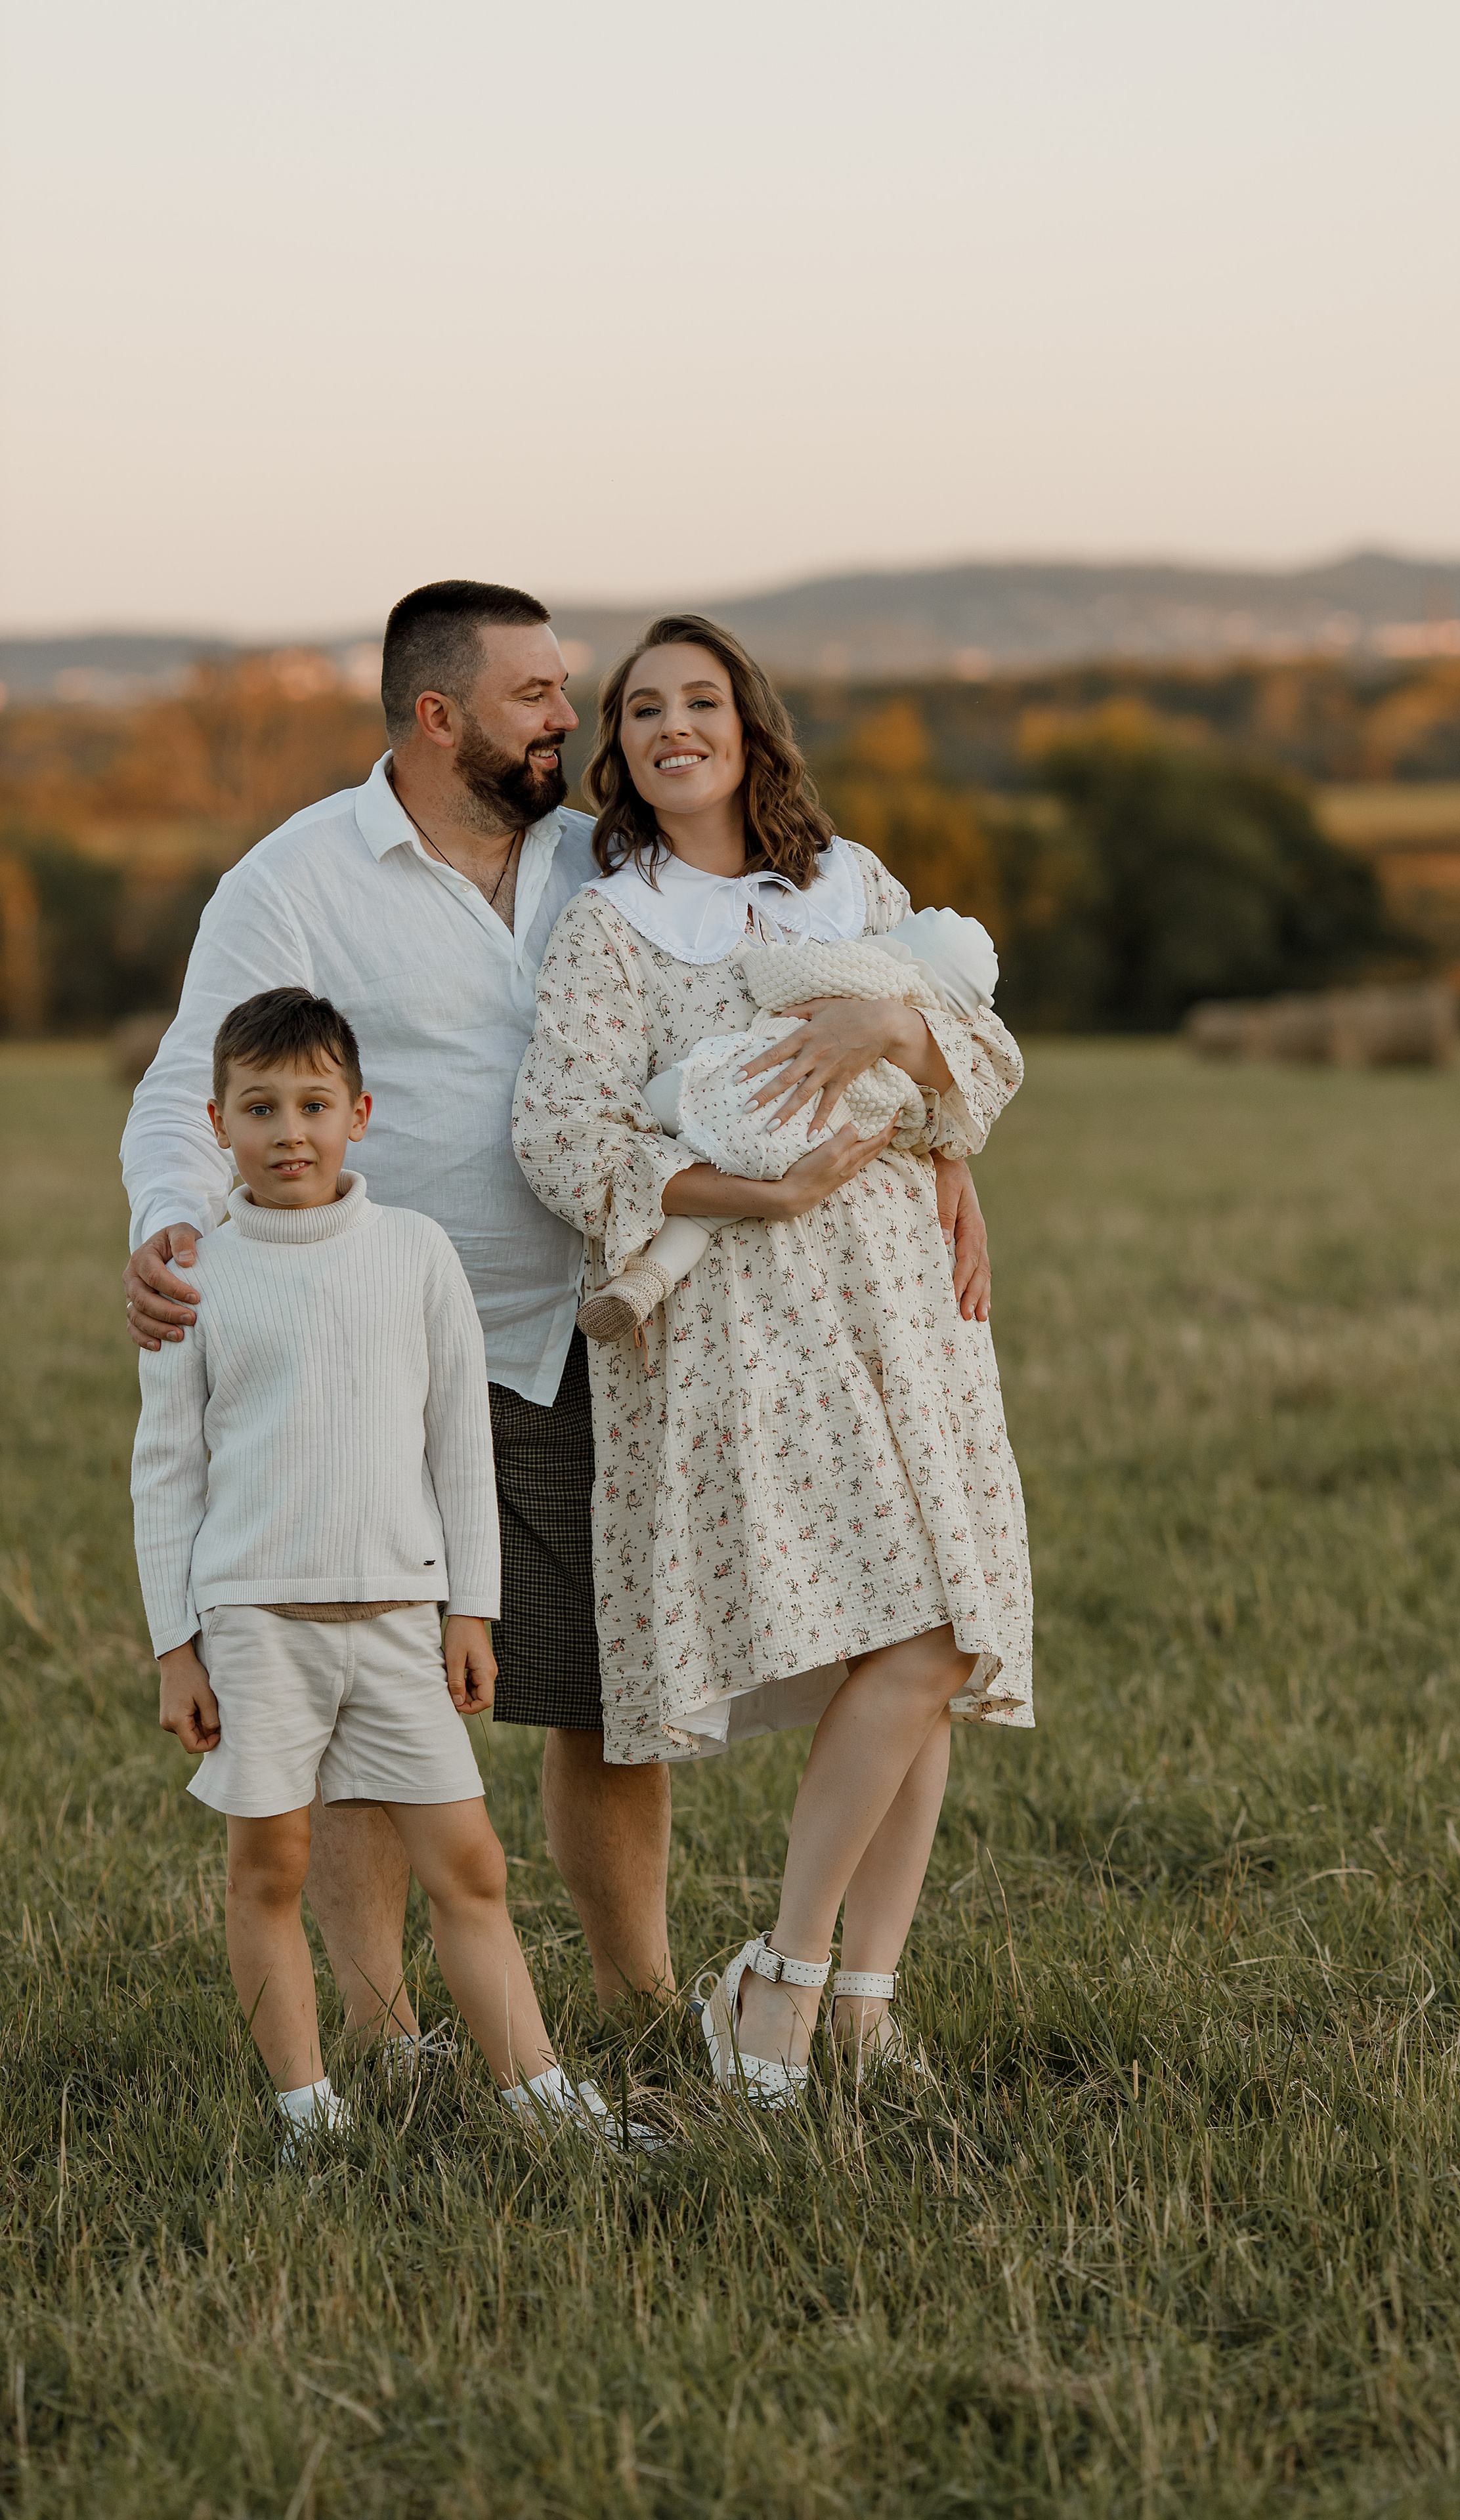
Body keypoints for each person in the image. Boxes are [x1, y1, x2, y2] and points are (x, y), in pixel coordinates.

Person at [119, 579, 996, 2046]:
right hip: (391, 1336)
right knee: (381, 1687)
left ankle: (639, 2004)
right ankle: (390, 2036)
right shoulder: (296, 880)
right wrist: (168, 1221)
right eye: (536, 696)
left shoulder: (611, 858)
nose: (567, 718)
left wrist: (939, 1143)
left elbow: (790, 1007)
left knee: (603, 1693)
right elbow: (181, 1085)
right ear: (436, 716)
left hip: (608, 1331)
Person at [512, 615, 1033, 2105]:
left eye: (702, 699)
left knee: (924, 1640)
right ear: (617, 751)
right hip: (739, 1322)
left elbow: (969, 1065)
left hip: (897, 1296)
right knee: (914, 1632)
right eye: (642, 708)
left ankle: (857, 2002)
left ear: (749, 726)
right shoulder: (610, 924)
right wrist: (762, 1192)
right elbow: (560, 1136)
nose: (674, 724)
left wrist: (896, 1028)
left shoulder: (847, 882)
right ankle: (783, 1980)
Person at [134, 988, 649, 2152]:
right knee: (269, 1866)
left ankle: (547, 2104)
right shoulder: (199, 1276)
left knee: (471, 1864)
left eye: (313, 1103)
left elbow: (459, 1448)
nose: (289, 1131)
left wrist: (473, 1609)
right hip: (260, 1628)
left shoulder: (414, 1254)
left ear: (359, 1113)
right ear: (218, 1123)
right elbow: (164, 1471)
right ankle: (308, 2116)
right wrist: (179, 1649)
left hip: (404, 1625)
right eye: (259, 1108)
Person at [576, 906, 998, 1343]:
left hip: (744, 1098)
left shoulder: (869, 971)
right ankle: (642, 1285)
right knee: (702, 1221)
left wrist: (759, 957)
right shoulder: (917, 1058)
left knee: (661, 1101)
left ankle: (641, 1263)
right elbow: (919, 1120)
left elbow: (778, 978)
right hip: (799, 1151)